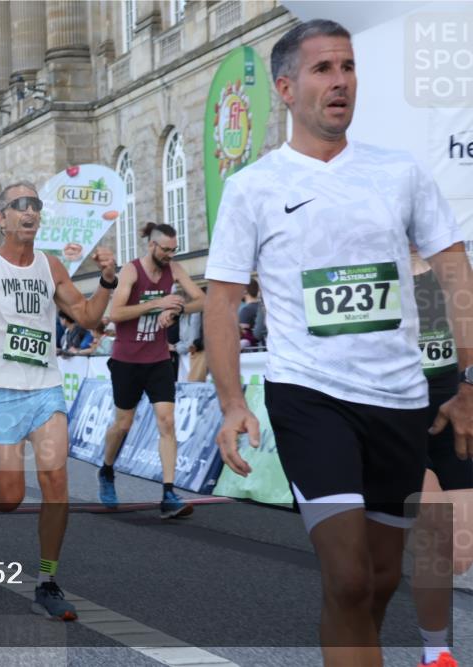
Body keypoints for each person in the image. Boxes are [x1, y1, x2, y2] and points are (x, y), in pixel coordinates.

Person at [203, 19, 473, 667]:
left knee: (380, 580)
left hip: (400, 400)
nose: (341, 81)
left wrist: (468, 378)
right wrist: (233, 400)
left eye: (348, 67)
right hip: (310, 397)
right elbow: (221, 299)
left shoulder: (398, 173)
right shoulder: (253, 189)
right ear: (287, 88)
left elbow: (454, 269)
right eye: (324, 69)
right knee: (348, 577)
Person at [0, 180, 118, 621]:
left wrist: (108, 281)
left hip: (44, 389)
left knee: (56, 482)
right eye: (18, 205)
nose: (29, 211)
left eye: (35, 205)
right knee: (11, 495)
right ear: (1, 218)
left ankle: (47, 580)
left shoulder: (51, 266)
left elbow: (89, 316)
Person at [98, 222, 205, 515]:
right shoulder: (131, 271)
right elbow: (116, 313)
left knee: (167, 422)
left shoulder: (175, 269)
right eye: (166, 250)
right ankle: (106, 470)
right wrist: (156, 303)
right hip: (126, 359)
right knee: (123, 425)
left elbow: (202, 299)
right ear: (152, 246)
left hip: (157, 359)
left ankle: (169, 494)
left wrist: (177, 309)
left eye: (174, 249)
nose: (170, 255)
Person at [409, 247, 472, 667]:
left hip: (452, 412)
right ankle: (437, 654)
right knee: (434, 529)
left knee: (460, 554)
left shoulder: (455, 270)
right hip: (399, 417)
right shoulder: (373, 266)